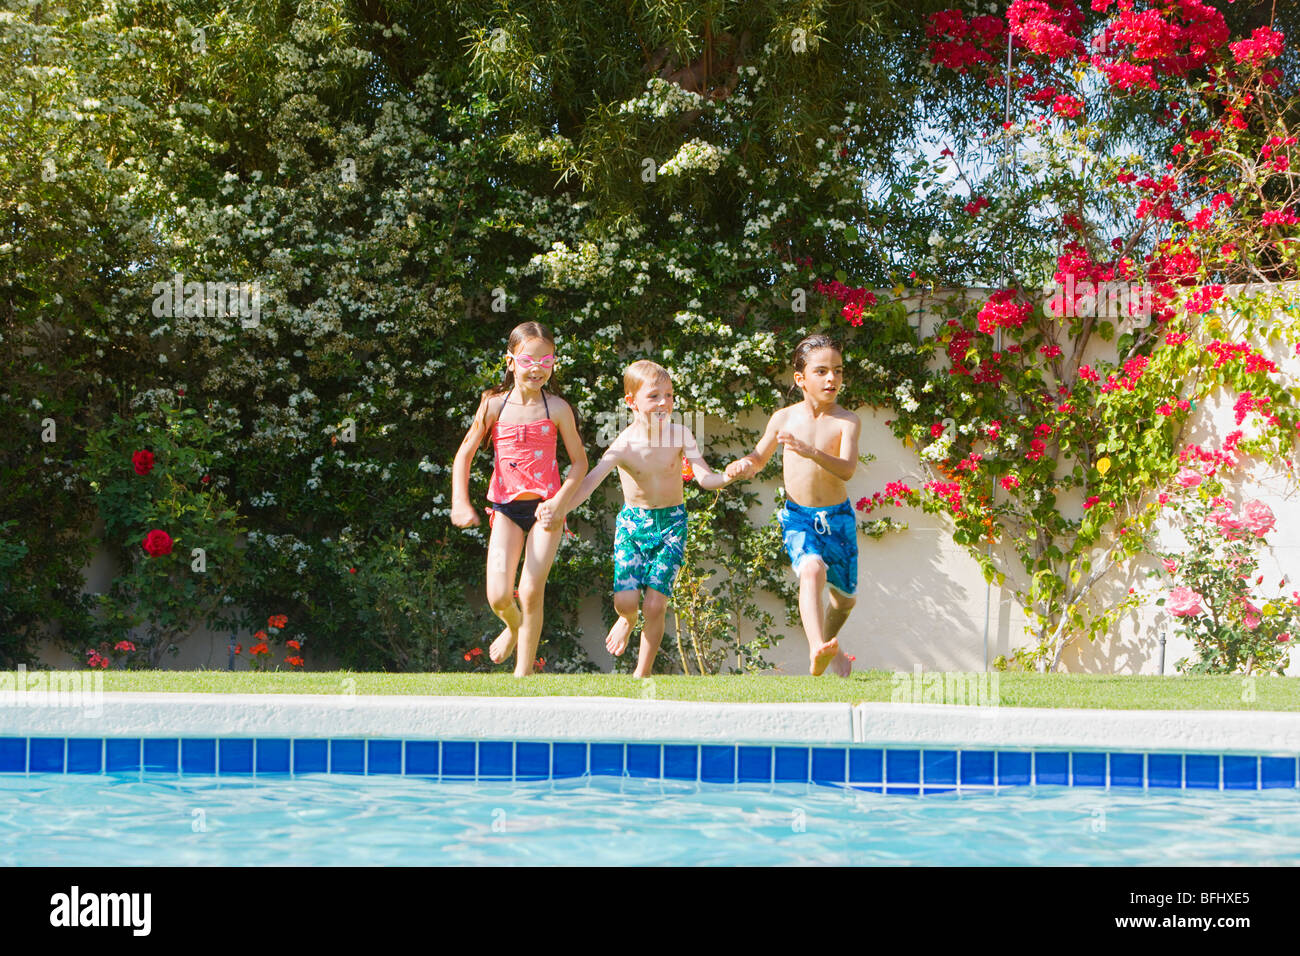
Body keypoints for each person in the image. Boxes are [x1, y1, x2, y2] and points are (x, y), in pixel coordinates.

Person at [569, 360, 733, 677]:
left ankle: (640, 673)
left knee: (656, 606)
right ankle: (626, 620)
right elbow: (590, 482)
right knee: (627, 602)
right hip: (633, 525)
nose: (664, 403)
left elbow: (704, 478)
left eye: (669, 395)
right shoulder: (624, 444)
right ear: (631, 402)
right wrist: (559, 508)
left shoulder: (681, 434)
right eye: (654, 396)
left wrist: (726, 476)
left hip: (672, 524)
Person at [450, 321, 588, 676]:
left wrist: (559, 503)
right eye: (529, 360)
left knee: (529, 591)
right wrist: (460, 502)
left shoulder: (557, 408)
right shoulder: (493, 406)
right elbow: (464, 455)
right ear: (510, 361)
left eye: (546, 361)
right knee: (498, 595)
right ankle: (512, 627)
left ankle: (523, 675)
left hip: (547, 510)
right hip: (507, 510)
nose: (537, 368)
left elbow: (580, 463)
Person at [726, 334, 860, 676]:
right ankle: (817, 648)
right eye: (822, 371)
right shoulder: (783, 418)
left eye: (838, 371)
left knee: (845, 600)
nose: (832, 379)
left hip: (838, 519)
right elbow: (759, 457)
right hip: (799, 515)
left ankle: (835, 654)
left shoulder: (846, 421)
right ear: (800, 379)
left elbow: (847, 470)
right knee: (811, 569)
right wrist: (744, 465)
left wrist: (810, 451)